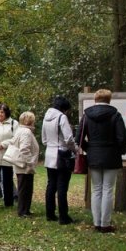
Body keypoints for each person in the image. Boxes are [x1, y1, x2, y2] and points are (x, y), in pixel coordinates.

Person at [77, 89, 126, 233]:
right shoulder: (115, 115)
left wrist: (90, 148)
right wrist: (119, 151)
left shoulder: (87, 115)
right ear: (109, 99)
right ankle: (105, 224)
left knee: (97, 189)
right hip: (111, 155)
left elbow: (78, 138)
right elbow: (122, 138)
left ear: (95, 99)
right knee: (107, 190)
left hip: (93, 156)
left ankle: (96, 222)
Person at [42, 95, 77, 225]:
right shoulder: (62, 117)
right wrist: (75, 149)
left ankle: (50, 214)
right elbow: (68, 138)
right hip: (62, 154)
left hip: (50, 153)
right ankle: (63, 216)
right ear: (64, 109)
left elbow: (44, 140)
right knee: (62, 186)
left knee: (51, 185)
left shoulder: (46, 118)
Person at [1, 111, 39, 217]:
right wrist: (29, 163)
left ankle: (25, 209)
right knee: (24, 189)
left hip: (23, 165)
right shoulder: (26, 132)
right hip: (24, 166)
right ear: (30, 121)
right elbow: (24, 149)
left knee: (26, 188)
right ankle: (22, 211)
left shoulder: (21, 130)